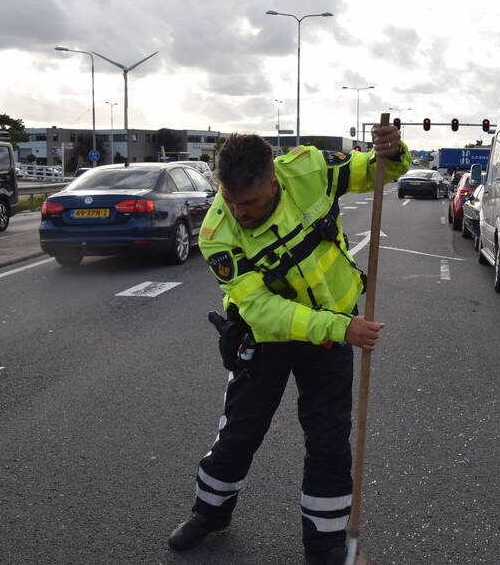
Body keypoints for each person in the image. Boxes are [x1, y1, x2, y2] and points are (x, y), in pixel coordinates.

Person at [167, 127, 410, 563]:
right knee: (239, 433)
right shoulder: (216, 233)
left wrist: (390, 152)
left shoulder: (309, 170)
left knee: (329, 442)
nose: (240, 213)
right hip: (267, 339)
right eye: (232, 202)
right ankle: (210, 513)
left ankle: (325, 547)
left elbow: (379, 172)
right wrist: (340, 329)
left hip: (331, 332)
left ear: (273, 180)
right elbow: (261, 310)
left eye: (251, 203)